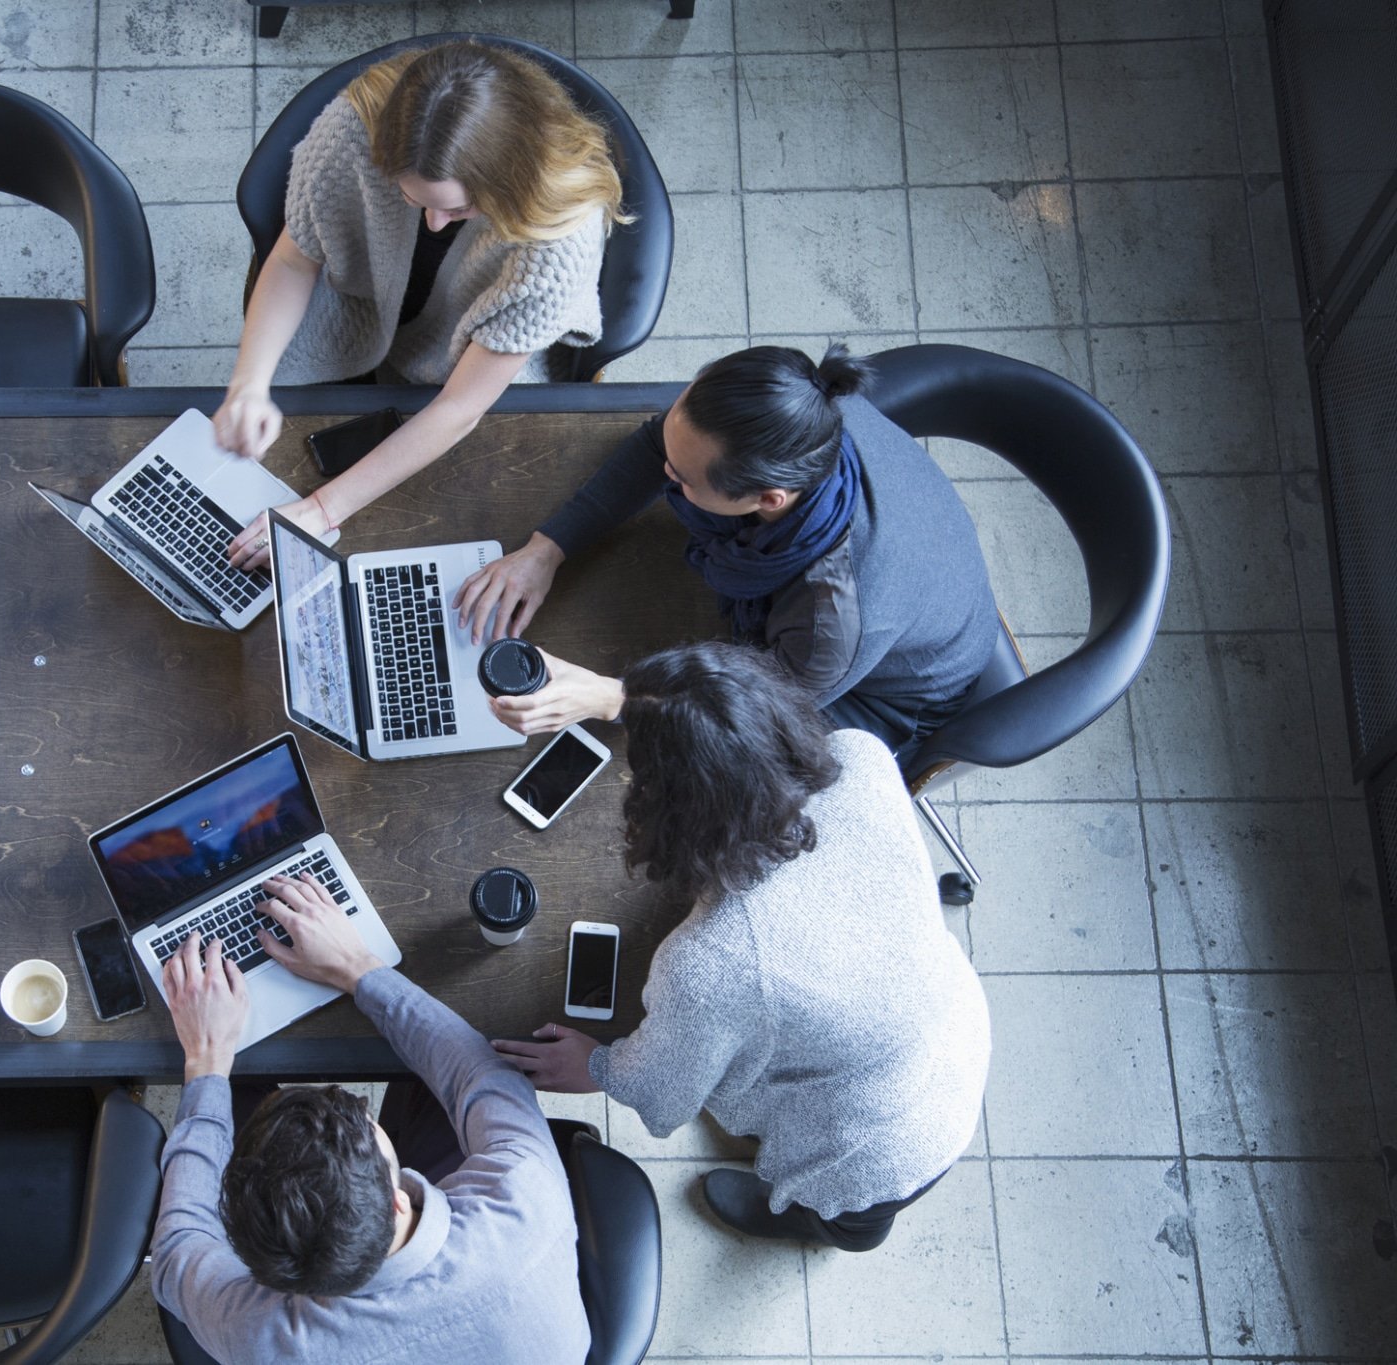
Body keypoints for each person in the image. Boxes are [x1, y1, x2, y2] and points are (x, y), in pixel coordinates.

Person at [492, 643, 988, 1252]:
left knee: (850, 1221)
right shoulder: (861, 757)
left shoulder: (712, 964)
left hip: (876, 1149)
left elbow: (664, 1095)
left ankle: (805, 1222)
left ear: (677, 807)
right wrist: (628, 700)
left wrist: (597, 1067)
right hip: (957, 1030)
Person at [455, 344, 999, 750]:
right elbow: (656, 445)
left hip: (875, 691)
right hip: (913, 590)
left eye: (684, 480)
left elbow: (750, 712)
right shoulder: (795, 414)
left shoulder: (829, 624)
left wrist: (609, 698)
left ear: (767, 499)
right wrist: (547, 548)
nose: (666, 476)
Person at [217, 40, 628, 569]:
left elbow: (459, 407)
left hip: (465, 369)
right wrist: (247, 385)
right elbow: (296, 261)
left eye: (459, 208)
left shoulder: (559, 240)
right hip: (354, 315)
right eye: (412, 199)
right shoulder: (351, 129)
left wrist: (323, 509)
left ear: (510, 178)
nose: (432, 223)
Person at [150, 873, 588, 1364]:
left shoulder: (265, 1342)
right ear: (398, 1201)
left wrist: (207, 1062)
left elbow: (175, 1254)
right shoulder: (524, 1204)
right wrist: (356, 967)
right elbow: (484, 1077)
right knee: (441, 1082)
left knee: (236, 1093)